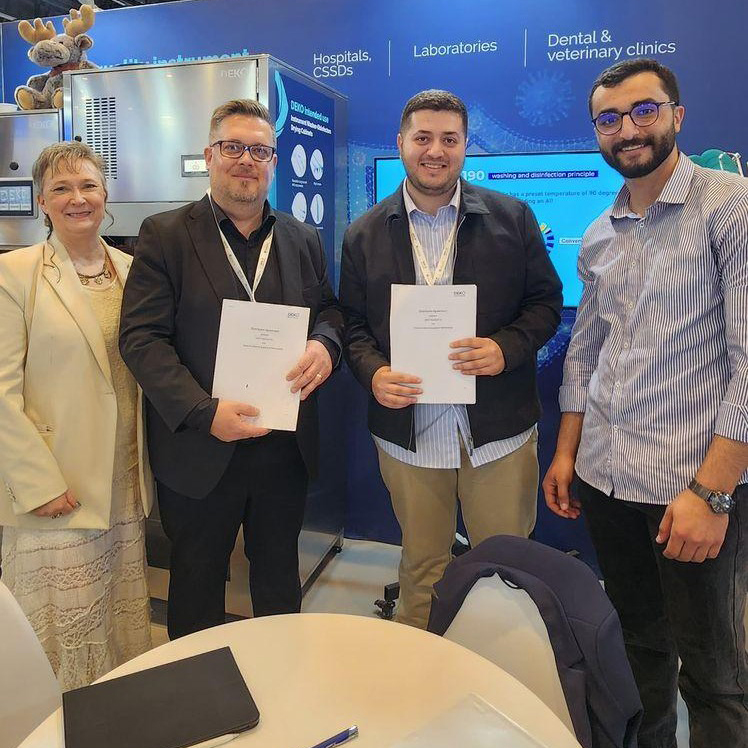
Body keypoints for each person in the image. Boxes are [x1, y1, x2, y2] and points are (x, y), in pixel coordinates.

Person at [542, 58, 748, 748]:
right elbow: (586, 353)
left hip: (691, 490)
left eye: (644, 111)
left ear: (676, 115)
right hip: (607, 482)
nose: (627, 129)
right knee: (639, 648)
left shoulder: (731, 206)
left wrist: (713, 493)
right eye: (609, 119)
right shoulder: (602, 233)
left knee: (715, 675)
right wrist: (567, 453)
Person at [119, 99, 343, 639]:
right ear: (210, 155)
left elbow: (331, 312)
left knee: (278, 581)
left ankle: (279, 674)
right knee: (196, 584)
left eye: (259, 151)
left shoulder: (301, 238)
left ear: (273, 161)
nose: (247, 160)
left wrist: (325, 345)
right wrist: (203, 412)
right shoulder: (165, 235)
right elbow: (142, 339)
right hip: (201, 447)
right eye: (233, 147)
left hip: (282, 448)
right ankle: (197, 683)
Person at [340, 89, 563, 629]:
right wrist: (374, 373)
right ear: (401, 143)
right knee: (423, 567)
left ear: (466, 145)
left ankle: (499, 667)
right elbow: (352, 326)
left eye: (449, 139)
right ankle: (425, 670)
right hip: (409, 432)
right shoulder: (364, 233)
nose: (435, 151)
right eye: (423, 137)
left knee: (507, 569)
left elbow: (546, 305)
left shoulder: (513, 218)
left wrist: (505, 348)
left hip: (497, 431)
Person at [0, 142, 155, 691]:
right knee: (67, 628)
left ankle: (116, 715)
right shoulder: (15, 273)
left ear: (106, 195)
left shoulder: (133, 271)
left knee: (116, 612)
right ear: (42, 201)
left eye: (88, 185)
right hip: (57, 483)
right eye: (61, 188)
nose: (77, 198)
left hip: (124, 479)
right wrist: (37, 484)